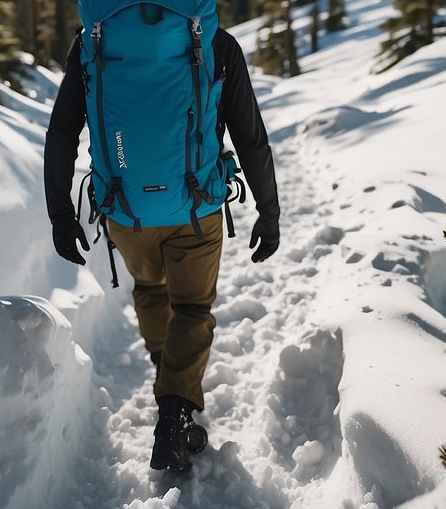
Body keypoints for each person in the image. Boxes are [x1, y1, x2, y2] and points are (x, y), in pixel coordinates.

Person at [44, 24, 280, 472]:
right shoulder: (215, 41)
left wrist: (61, 214)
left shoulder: (93, 39)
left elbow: (61, 133)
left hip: (125, 207)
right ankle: (174, 411)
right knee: (191, 307)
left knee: (150, 288)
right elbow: (250, 136)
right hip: (196, 207)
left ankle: (167, 372)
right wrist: (269, 212)